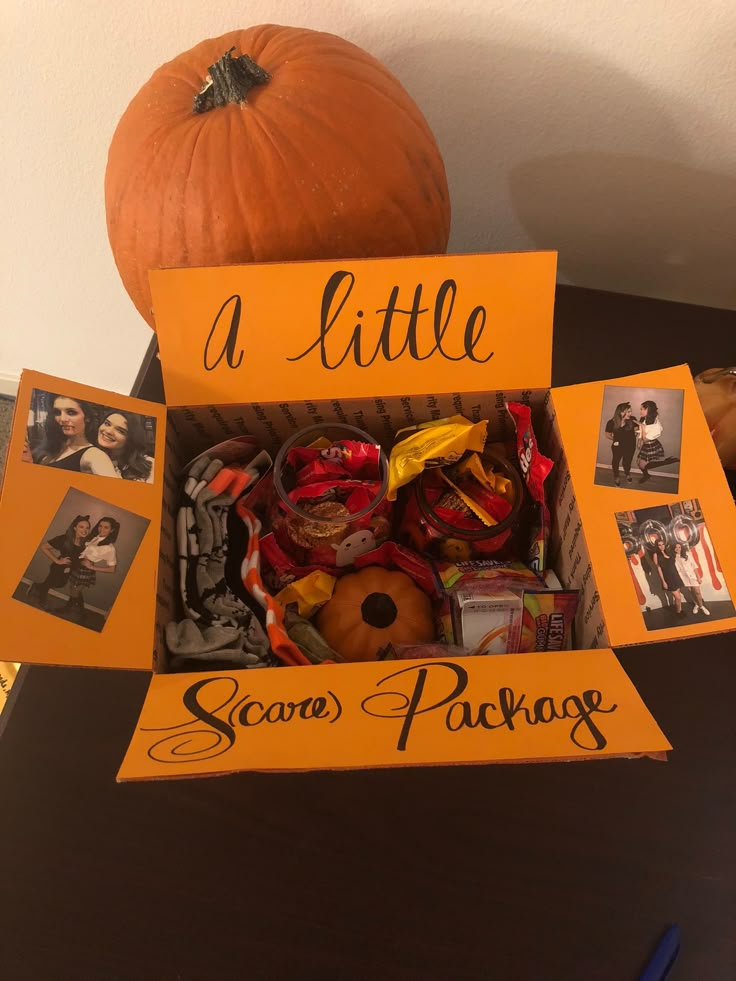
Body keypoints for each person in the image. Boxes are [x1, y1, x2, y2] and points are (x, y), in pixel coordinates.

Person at [33, 395, 118, 477]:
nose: (62, 419)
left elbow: (116, 489)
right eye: (57, 412)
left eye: (71, 412)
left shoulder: (94, 455)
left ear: (87, 417)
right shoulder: (55, 447)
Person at [27, 515, 90, 609]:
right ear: (74, 528)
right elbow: (44, 547)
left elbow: (79, 556)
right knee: (49, 583)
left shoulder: (83, 542)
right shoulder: (64, 538)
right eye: (81, 527)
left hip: (69, 569)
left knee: (60, 584)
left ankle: (37, 586)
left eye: (87, 528)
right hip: (58, 567)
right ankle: (42, 598)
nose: (85, 530)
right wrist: (57, 561)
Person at [65, 516, 120, 620]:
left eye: (106, 527)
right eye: (100, 526)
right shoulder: (94, 537)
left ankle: (68, 609)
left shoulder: (109, 548)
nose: (101, 529)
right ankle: (81, 612)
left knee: (75, 591)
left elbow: (112, 569)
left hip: (86, 570)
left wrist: (92, 567)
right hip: (77, 564)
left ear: (112, 530)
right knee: (73, 588)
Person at [97, 410, 154, 482]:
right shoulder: (91, 457)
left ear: (131, 439)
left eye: (120, 431)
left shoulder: (151, 465)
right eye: (107, 424)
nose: (108, 431)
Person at [637, 400, 679, 484]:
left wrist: (643, 429)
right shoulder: (646, 418)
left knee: (642, 465)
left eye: (642, 409)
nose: (640, 411)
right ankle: (647, 475)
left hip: (651, 444)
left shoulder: (657, 427)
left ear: (648, 410)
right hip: (646, 443)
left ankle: (669, 461)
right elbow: (641, 431)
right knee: (638, 462)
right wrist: (639, 441)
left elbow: (646, 438)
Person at [604, 402, 639, 485]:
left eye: (630, 411)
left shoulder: (632, 419)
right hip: (618, 446)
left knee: (627, 462)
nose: (631, 413)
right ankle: (616, 476)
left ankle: (627, 473)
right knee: (615, 461)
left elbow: (636, 430)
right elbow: (607, 435)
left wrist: (634, 435)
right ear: (621, 412)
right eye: (628, 412)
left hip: (630, 446)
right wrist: (616, 439)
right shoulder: (611, 422)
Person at [674, 542, 710, 616]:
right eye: (676, 547)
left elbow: (694, 566)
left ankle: (701, 606)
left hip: (692, 576)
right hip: (684, 578)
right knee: (690, 592)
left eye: (679, 547)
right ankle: (696, 604)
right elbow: (678, 570)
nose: (677, 549)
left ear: (681, 548)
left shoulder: (687, 554)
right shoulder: (674, 558)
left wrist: (698, 577)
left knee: (697, 592)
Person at [651, 539, 685, 617]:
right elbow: (659, 569)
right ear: (657, 546)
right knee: (678, 597)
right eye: (659, 545)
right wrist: (663, 581)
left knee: (678, 596)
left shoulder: (669, 552)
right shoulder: (656, 555)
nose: (661, 546)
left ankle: (680, 610)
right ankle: (678, 612)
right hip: (668, 578)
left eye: (662, 544)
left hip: (675, 576)